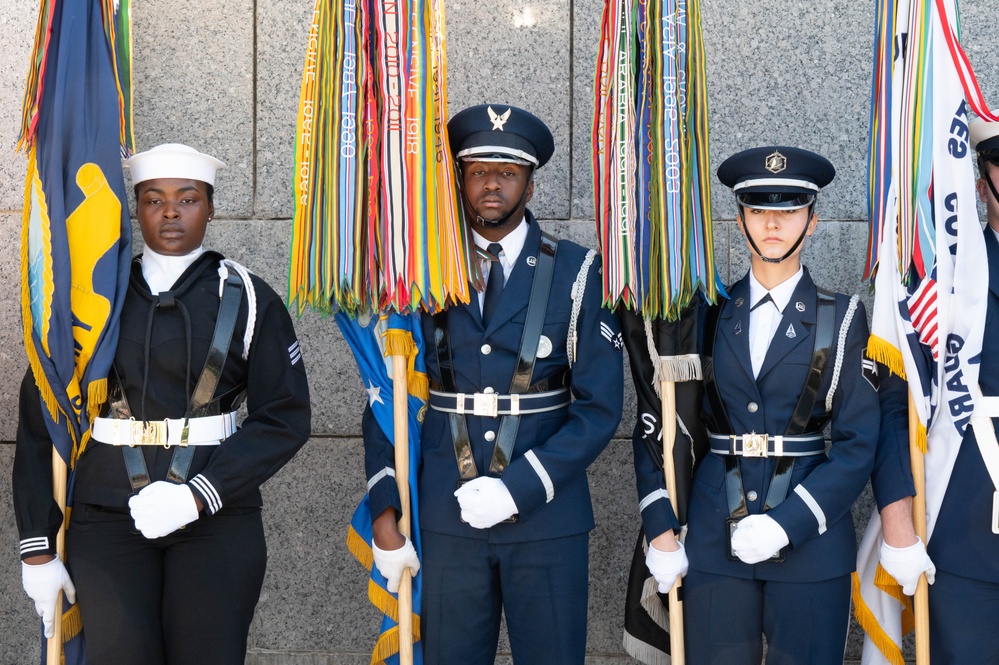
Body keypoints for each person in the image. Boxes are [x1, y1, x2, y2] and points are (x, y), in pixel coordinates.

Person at [13, 143, 312, 664]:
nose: (171, 211)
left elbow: (284, 416)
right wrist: (37, 544)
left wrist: (199, 494)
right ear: (136, 208)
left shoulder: (248, 296)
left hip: (216, 520)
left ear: (212, 207)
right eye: (154, 199)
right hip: (105, 518)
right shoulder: (91, 298)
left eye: (188, 198)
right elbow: (44, 411)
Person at [361, 104, 624, 664]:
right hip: (443, 515)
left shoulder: (579, 272)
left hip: (546, 517)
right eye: (479, 170)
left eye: (507, 172)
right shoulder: (421, 277)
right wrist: (386, 510)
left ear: (530, 182)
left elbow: (600, 408)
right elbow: (388, 398)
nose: (491, 184)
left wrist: (518, 486)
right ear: (459, 177)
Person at [635, 147, 880, 664]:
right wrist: (660, 527)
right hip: (713, 533)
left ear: (812, 221)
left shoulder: (844, 316)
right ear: (740, 217)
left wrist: (787, 523)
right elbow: (660, 418)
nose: (773, 222)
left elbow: (858, 445)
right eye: (757, 208)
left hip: (812, 540)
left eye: (789, 209)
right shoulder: (702, 312)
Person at [873, 117, 999, 663]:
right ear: (979, 185)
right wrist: (899, 522)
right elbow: (894, 402)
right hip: (964, 523)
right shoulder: (944, 282)